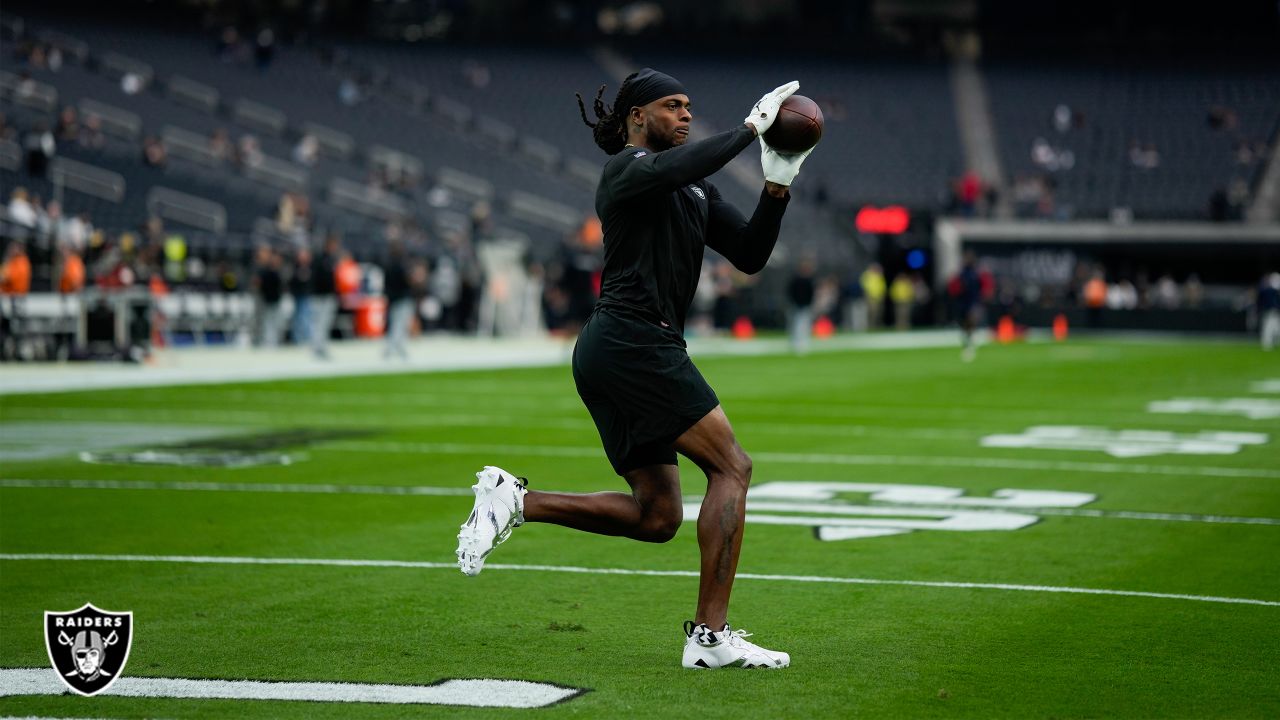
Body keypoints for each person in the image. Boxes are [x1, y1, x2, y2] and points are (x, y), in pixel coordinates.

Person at [454, 69, 811, 670]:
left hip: (623, 348)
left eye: (690, 105)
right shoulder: (625, 169)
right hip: (632, 340)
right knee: (733, 466)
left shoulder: (696, 191)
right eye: (673, 106)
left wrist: (777, 184)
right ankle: (710, 637)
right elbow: (676, 168)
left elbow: (749, 254)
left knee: (658, 517)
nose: (687, 115)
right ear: (638, 118)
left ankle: (516, 500)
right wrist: (750, 129)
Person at [786, 257, 816, 355]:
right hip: (797, 305)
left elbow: (811, 293)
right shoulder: (796, 280)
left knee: (804, 325)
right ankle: (796, 342)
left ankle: (803, 342)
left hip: (805, 305)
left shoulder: (809, 280)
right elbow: (791, 292)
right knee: (796, 324)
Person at [1259, 272, 1280, 351]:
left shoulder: (1268, 290)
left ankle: (1270, 343)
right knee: (1269, 327)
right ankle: (1267, 344)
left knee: (1274, 328)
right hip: (1270, 311)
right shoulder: (1269, 290)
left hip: (1272, 311)